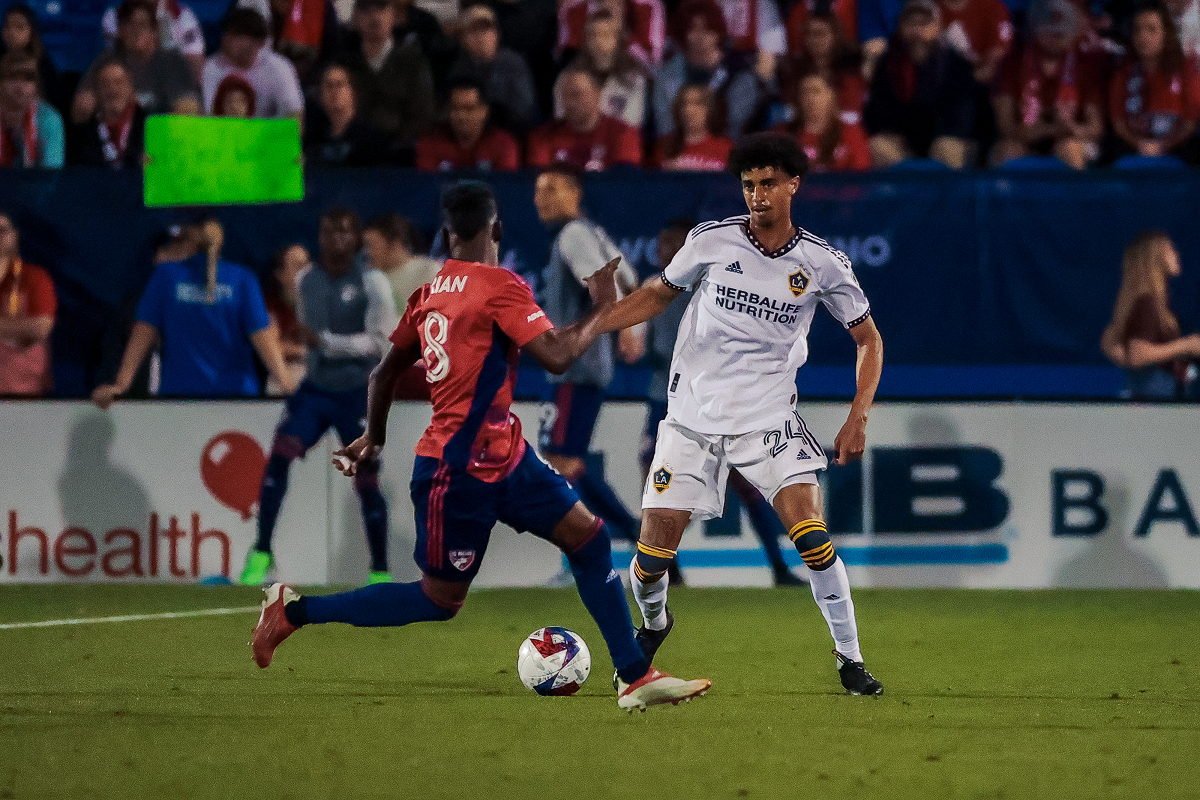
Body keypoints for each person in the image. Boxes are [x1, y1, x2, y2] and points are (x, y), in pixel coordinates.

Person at [249, 180, 713, 713]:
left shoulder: (429, 293)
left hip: (508, 458)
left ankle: (634, 674)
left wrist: (372, 438)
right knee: (438, 599)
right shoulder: (500, 286)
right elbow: (558, 355)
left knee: (588, 539)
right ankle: (293, 611)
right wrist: (605, 311)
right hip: (457, 472)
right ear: (496, 228)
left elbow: (383, 374)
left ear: (449, 233)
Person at [584, 132, 885, 695]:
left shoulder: (823, 264)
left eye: (769, 183)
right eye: (748, 185)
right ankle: (656, 623)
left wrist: (857, 416)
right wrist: (593, 326)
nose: (757, 195)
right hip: (691, 418)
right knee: (650, 561)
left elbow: (869, 340)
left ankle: (850, 660)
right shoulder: (710, 241)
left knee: (814, 540)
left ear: (793, 185)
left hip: (768, 419)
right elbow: (657, 295)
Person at [640, 219, 806, 586]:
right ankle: (669, 570)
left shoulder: (713, 284)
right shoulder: (653, 289)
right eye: (661, 242)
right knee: (659, 485)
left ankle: (779, 566)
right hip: (664, 400)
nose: (664, 250)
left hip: (717, 400)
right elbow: (639, 347)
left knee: (746, 482)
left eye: (672, 242)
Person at [240, 208, 399, 586]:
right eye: (328, 230)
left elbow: (381, 341)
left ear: (356, 238)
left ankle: (379, 570)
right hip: (315, 389)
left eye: (344, 230)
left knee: (366, 479)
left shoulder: (372, 282)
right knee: (279, 459)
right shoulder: (306, 280)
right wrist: (312, 351)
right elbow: (305, 332)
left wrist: (329, 343)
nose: (335, 238)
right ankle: (261, 553)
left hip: (356, 393)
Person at [534, 164, 645, 548]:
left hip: (576, 367)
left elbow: (603, 285)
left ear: (575, 193)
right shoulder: (591, 232)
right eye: (538, 191)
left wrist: (627, 327)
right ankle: (628, 535)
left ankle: (608, 541)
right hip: (583, 367)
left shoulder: (573, 235)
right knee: (566, 461)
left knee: (560, 463)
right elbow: (627, 277)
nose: (540, 199)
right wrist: (630, 326)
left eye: (551, 189)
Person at [91, 218, 295, 406]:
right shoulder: (242, 279)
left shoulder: (165, 277)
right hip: (238, 399)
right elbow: (263, 337)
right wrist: (287, 383)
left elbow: (142, 334)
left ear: (188, 240)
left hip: (180, 398)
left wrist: (121, 384)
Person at [991, 0, 1104, 170]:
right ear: (1035, 29)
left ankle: (1076, 196)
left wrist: (1073, 129)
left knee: (1069, 148)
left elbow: (1095, 126)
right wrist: (1027, 132)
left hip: (1072, 137)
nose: (1054, 36)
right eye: (1048, 30)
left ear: (1073, 32)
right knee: (1006, 151)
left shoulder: (1085, 65)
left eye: (1061, 32)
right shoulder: (1013, 64)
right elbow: (1005, 123)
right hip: (1024, 137)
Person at [863, 0, 976, 169]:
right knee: (879, 146)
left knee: (947, 148)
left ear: (938, 28)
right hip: (903, 142)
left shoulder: (955, 64)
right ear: (901, 28)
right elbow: (879, 110)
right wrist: (897, 134)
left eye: (924, 24)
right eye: (911, 23)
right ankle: (901, 194)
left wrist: (936, 136)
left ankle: (947, 195)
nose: (917, 31)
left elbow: (963, 115)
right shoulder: (889, 64)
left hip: (945, 138)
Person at [1101, 231, 1200, 400]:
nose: (1177, 254)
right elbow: (1138, 355)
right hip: (1155, 401)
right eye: (1170, 249)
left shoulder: (1147, 304)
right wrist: (1186, 345)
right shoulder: (1147, 304)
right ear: (1155, 259)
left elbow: (1110, 343)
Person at [338, 0, 436, 165]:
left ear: (394, 16)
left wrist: (396, 145)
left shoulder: (414, 62)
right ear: (355, 19)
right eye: (366, 10)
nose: (375, 17)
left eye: (381, 8)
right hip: (352, 157)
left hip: (400, 158)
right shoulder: (345, 64)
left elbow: (423, 114)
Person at [75, 0, 200, 125]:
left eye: (143, 25)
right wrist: (95, 101)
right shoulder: (106, 60)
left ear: (154, 31)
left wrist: (137, 108)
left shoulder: (172, 62)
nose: (136, 31)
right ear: (120, 30)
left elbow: (189, 108)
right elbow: (78, 112)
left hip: (156, 134)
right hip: (113, 134)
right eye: (130, 24)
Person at [654, 0, 762, 139]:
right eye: (693, 30)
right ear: (683, 33)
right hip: (678, 147)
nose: (701, 37)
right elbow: (665, 124)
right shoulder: (667, 74)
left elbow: (735, 127)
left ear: (718, 32)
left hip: (722, 148)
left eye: (707, 30)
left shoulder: (739, 73)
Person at [1107, 5, 1200, 164]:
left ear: (1166, 34)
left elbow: (1190, 122)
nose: (1143, 36)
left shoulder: (1186, 70)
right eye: (1137, 30)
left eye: (1151, 29)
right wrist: (1140, 144)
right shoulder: (1123, 73)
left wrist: (1163, 145)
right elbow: (1119, 122)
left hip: (1179, 145)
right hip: (1135, 144)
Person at [446, 4, 538, 135]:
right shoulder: (459, 67)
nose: (481, 37)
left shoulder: (513, 64)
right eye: (473, 31)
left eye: (486, 30)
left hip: (507, 134)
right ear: (463, 39)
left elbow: (523, 110)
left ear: (497, 34)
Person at [526, 67, 642, 170]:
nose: (570, 103)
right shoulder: (543, 137)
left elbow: (623, 185)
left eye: (577, 95)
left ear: (597, 95)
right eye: (565, 96)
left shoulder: (623, 134)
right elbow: (540, 183)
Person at [202, 8, 304, 119]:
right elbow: (210, 114)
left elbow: (294, 112)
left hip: (267, 133)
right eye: (228, 35)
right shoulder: (211, 68)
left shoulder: (279, 67)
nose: (228, 41)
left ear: (259, 42)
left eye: (238, 37)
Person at [556, 8, 648, 130]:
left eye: (606, 35)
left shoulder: (635, 77)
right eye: (593, 35)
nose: (598, 41)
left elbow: (632, 124)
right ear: (585, 40)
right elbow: (562, 120)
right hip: (578, 142)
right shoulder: (568, 77)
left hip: (617, 142)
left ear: (617, 39)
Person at [0, 212, 55, 396]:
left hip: (24, 392)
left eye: (2, 230)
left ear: (15, 235)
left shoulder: (34, 278)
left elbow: (41, 327)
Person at [415, 77, 521, 171]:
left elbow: (506, 188)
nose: (461, 116)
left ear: (484, 111)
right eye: (455, 108)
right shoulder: (430, 143)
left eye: (469, 109)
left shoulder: (504, 144)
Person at [781, 12, 867, 127]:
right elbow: (790, 109)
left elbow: (853, 113)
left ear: (835, 36)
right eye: (809, 34)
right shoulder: (795, 69)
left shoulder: (850, 69)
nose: (814, 39)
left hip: (843, 129)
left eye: (820, 34)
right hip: (804, 129)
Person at [777, 71, 872, 171]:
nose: (810, 98)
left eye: (816, 91)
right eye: (805, 92)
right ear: (798, 100)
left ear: (831, 96)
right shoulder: (782, 135)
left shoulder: (852, 134)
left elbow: (862, 176)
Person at [303, 63, 391, 167]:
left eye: (339, 85)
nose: (334, 91)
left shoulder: (373, 139)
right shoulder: (311, 138)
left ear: (353, 92)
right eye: (328, 85)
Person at [233, 0, 339, 84]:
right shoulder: (246, 5)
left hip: (305, 85)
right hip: (248, 80)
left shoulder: (321, 6)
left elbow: (330, 56)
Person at [67, 58, 147, 169]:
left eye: (119, 82)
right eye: (105, 84)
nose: (112, 90)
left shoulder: (149, 125)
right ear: (96, 92)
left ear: (131, 88)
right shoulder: (82, 132)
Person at [101, 0, 206, 79]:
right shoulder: (113, 17)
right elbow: (123, 57)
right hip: (129, 81)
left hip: (171, 82)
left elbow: (196, 66)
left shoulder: (182, 16)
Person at [262, 243, 310, 396]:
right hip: (286, 375)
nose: (306, 270)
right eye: (297, 266)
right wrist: (302, 351)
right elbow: (271, 347)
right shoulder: (270, 308)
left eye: (307, 264)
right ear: (281, 275)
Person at [651, 83, 734, 170]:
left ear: (709, 110)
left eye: (697, 103)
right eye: (684, 104)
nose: (689, 110)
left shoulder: (727, 147)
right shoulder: (664, 145)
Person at [0, 53, 62, 169]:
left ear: (36, 85)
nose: (20, 86)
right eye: (12, 77)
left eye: (28, 78)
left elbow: (50, 174)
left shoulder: (49, 119)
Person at [0, 4, 59, 108]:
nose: (12, 32)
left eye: (19, 27)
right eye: (8, 26)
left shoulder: (42, 64)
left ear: (31, 31)